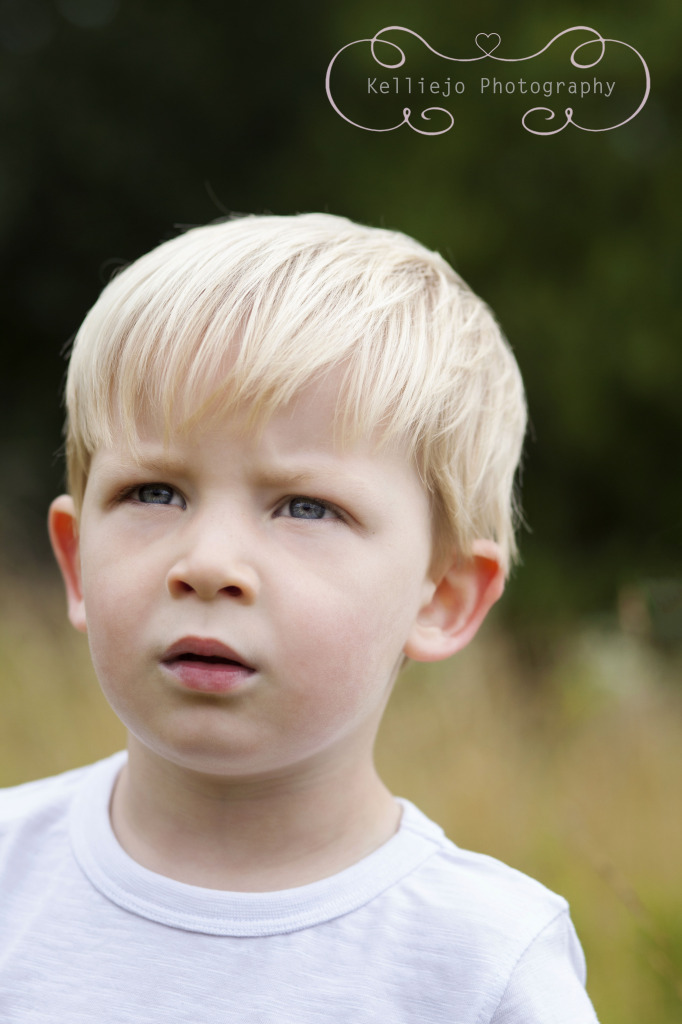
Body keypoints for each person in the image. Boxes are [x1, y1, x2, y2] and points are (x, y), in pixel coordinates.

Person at [0, 213, 599, 1022]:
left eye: (305, 507)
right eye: (153, 493)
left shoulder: (483, 964)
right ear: (77, 562)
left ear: (444, 595)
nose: (208, 562)